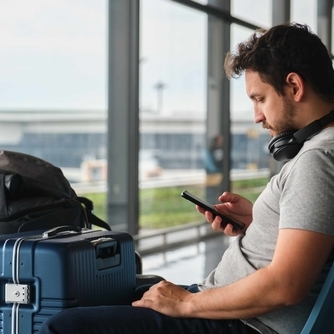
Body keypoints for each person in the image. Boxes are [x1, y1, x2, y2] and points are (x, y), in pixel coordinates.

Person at [39, 22, 334, 334]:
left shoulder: (316, 160)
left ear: (294, 86)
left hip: (244, 322)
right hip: (225, 307)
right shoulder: (318, 155)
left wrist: (186, 304)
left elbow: (286, 286)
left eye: (260, 99)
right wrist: (259, 221)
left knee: (64, 326)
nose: (257, 116)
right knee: (88, 298)